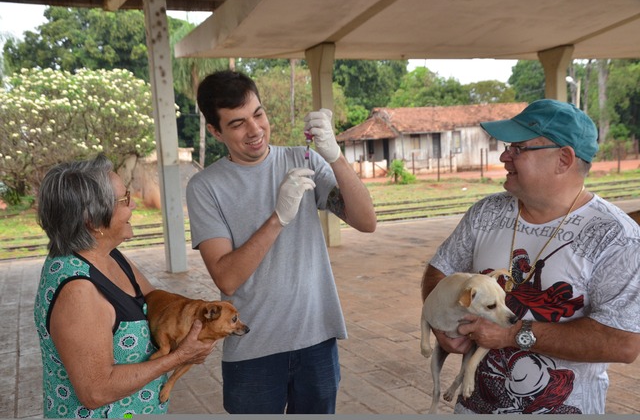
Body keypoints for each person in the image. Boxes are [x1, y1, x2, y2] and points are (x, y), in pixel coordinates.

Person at [421, 99, 640, 414]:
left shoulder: (617, 236)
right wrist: (442, 325)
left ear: (563, 159)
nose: (504, 156)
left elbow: (622, 342)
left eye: (518, 149)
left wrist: (511, 334)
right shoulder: (486, 213)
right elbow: (439, 272)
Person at [186, 70, 377, 414]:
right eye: (237, 123)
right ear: (215, 131)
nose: (255, 130)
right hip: (252, 348)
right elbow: (226, 278)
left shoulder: (301, 160)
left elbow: (366, 221)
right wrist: (278, 218)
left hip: (316, 340)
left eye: (258, 114)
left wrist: (334, 155)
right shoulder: (205, 187)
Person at [34, 154, 216, 418]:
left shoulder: (107, 256)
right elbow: (95, 392)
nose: (133, 208)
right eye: (124, 201)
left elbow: (154, 299)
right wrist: (178, 357)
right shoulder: (78, 291)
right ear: (92, 221)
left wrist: (195, 315)